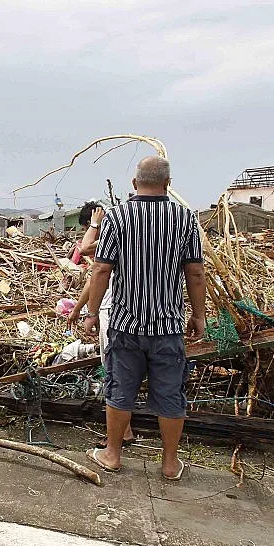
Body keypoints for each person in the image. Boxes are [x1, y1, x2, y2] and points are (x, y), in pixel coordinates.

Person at [83, 156, 206, 481]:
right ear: (168, 184)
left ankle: (112, 454)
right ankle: (169, 464)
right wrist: (199, 315)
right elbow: (194, 272)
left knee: (120, 390)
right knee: (169, 394)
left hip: (126, 324)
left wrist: (92, 313)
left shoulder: (118, 217)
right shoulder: (184, 218)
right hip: (168, 326)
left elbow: (102, 269)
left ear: (135, 184)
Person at [67, 201, 137, 448]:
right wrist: (78, 309)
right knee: (118, 370)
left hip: (113, 311)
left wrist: (96, 223)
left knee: (114, 371)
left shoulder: (110, 234)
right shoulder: (122, 236)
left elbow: (84, 248)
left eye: (88, 226)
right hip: (117, 310)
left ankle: (119, 435)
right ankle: (124, 429)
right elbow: (94, 279)